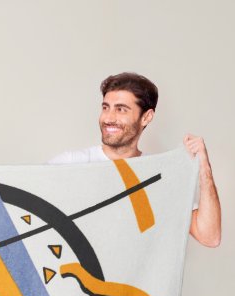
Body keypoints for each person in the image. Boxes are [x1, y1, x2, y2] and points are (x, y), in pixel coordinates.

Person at [47, 72, 221, 248]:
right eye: (106, 107)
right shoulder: (70, 164)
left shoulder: (159, 178)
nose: (108, 118)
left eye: (121, 109)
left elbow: (209, 237)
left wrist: (204, 168)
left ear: (146, 117)